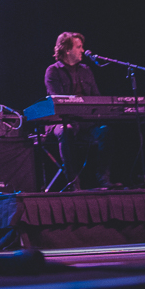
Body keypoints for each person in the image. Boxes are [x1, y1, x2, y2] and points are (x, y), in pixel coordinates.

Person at [43, 32, 109, 190]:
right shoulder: (52, 71)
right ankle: (73, 182)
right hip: (60, 121)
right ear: (67, 50)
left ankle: (104, 179)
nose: (83, 50)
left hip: (84, 122)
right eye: (79, 47)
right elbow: (58, 103)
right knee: (67, 130)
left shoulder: (86, 70)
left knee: (105, 131)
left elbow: (97, 98)